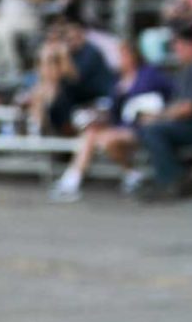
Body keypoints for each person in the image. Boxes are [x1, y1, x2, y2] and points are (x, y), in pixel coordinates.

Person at [48, 42, 174, 202]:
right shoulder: (118, 79)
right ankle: (73, 180)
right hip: (121, 125)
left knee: (105, 139)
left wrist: (159, 113)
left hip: (144, 127)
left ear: (133, 55)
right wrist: (99, 115)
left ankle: (128, 174)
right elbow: (114, 110)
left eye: (122, 55)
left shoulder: (149, 74)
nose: (119, 59)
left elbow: (172, 94)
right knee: (92, 132)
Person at [136, 25, 192, 200]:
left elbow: (188, 109)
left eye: (178, 44)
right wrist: (157, 116)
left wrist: (157, 118)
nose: (175, 49)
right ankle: (177, 174)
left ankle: (172, 180)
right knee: (152, 127)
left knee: (154, 130)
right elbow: (178, 105)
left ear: (191, 45)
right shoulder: (188, 69)